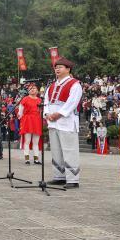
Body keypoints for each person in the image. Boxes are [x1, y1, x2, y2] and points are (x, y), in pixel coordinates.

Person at [44, 57, 83, 188]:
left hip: (67, 122)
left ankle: (73, 179)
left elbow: (72, 102)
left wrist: (59, 114)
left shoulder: (75, 84)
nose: (57, 69)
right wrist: (47, 114)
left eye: (60, 67)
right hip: (53, 122)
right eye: (56, 67)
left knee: (69, 150)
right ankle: (59, 176)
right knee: (56, 150)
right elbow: (46, 102)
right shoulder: (51, 86)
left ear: (68, 69)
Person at [18, 83, 42, 164]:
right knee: (27, 140)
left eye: (34, 88)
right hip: (27, 120)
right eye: (31, 88)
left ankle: (36, 159)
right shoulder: (25, 99)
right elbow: (20, 111)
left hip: (37, 120)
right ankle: (27, 159)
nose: (32, 89)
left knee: (36, 141)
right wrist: (20, 116)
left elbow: (42, 111)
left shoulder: (39, 100)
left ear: (37, 90)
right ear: (28, 90)